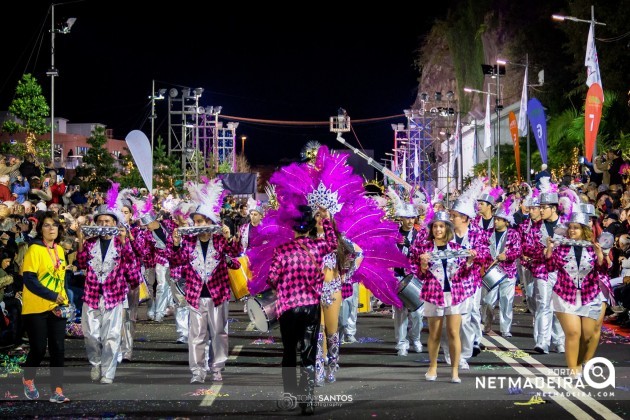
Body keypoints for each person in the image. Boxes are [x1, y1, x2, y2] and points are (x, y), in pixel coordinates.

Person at [169, 178, 242, 384]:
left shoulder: (220, 240)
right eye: (196, 221)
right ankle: (198, 371)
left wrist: (229, 237)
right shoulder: (188, 241)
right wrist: (175, 245)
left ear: (210, 222)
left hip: (218, 295)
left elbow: (235, 254)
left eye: (202, 221)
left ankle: (217, 368)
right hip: (195, 295)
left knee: (219, 334)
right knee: (197, 336)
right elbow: (176, 261)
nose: (198, 225)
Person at [267, 205, 336, 415]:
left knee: (289, 352)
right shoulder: (318, 247)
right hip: (310, 307)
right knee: (308, 352)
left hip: (287, 308)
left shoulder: (281, 250)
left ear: (293, 227)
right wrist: (325, 219)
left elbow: (272, 278)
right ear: (309, 228)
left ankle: (290, 396)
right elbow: (333, 243)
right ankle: (308, 400)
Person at [76, 202, 141, 384]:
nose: (104, 224)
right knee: (91, 335)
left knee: (111, 337)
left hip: (114, 296)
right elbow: (81, 263)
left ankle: (108, 372)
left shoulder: (121, 244)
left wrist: (124, 242)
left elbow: (130, 264)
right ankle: (95, 363)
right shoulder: (90, 243)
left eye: (108, 221)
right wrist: (80, 241)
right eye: (101, 221)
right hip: (92, 294)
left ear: (114, 223)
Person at [411, 211, 477, 383]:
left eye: (441, 226)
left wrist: (469, 261)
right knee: (435, 334)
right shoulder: (425, 250)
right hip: (433, 294)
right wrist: (423, 265)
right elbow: (419, 274)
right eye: (435, 226)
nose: (438, 229)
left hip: (454, 295)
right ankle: (432, 367)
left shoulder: (457, 249)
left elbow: (463, 274)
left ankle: (455, 371)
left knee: (454, 333)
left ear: (447, 228)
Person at [544, 212, 611, 379]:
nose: (572, 231)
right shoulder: (561, 247)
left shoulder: (593, 246)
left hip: (590, 295)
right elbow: (550, 267)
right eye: (571, 228)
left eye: (576, 228)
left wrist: (600, 255)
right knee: (574, 333)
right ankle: (573, 370)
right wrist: (550, 250)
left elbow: (603, 271)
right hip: (564, 294)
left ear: (584, 230)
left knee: (588, 335)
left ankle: (582, 362)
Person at [21, 211, 71, 403]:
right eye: (47, 225)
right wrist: (52, 295)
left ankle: (57, 390)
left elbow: (61, 277)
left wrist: (65, 298)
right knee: (39, 349)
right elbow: (29, 280)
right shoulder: (34, 249)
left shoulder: (59, 250)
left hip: (57, 307)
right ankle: (28, 377)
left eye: (55, 225)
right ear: (40, 229)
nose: (52, 229)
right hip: (36, 308)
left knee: (58, 349)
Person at [481, 197, 522, 337]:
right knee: (488, 301)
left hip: (508, 272)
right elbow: (482, 249)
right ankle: (486, 324)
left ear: (506, 221)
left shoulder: (514, 234)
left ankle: (505, 329)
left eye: (499, 219)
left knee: (506, 301)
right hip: (492, 271)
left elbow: (517, 250)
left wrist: (507, 255)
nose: (496, 221)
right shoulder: (487, 233)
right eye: (495, 218)